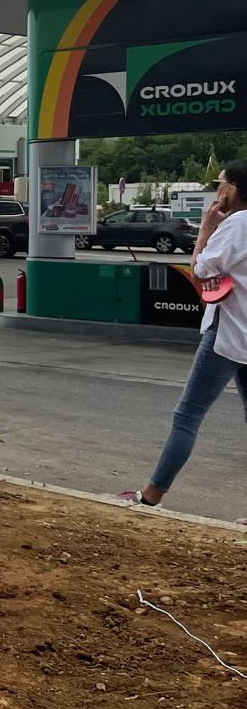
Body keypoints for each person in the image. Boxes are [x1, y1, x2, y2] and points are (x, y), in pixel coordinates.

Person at [120, 160, 247, 508]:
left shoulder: (236, 225)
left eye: (220, 183)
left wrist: (206, 228)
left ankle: (151, 496)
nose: (216, 189)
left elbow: (199, 269)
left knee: (188, 415)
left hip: (228, 333)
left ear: (232, 189)